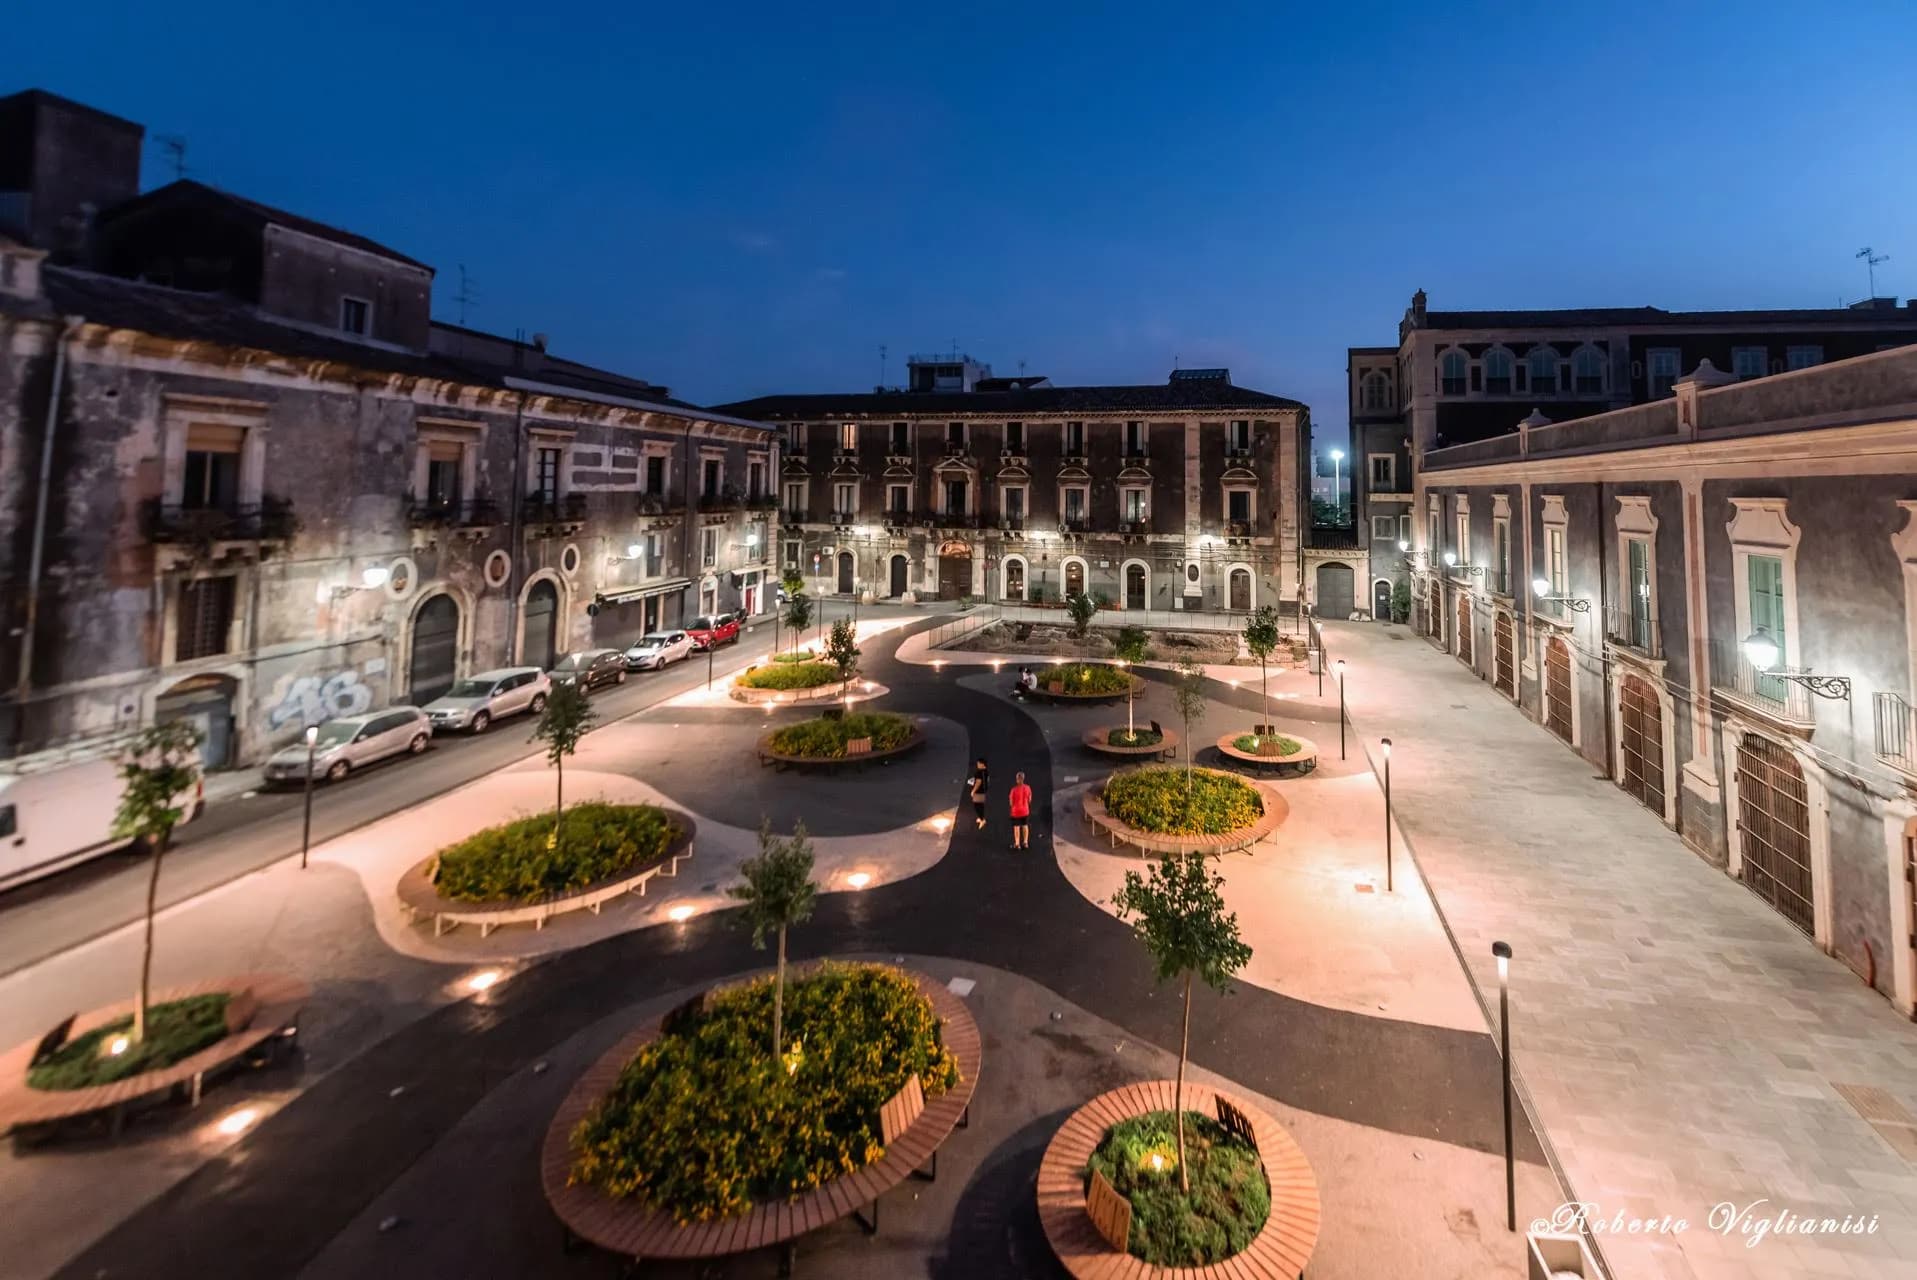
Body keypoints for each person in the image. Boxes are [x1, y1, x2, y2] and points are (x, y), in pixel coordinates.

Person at [1008, 770, 1033, 850]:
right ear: (1023, 779)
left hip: (1016, 812)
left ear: (1017, 779)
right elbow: (1029, 800)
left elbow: (1011, 802)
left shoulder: (1013, 790)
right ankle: (1025, 843)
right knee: (1025, 826)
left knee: (1016, 827)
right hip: (1025, 810)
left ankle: (1017, 844)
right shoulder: (1028, 788)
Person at [968, 756, 989, 830]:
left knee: (977, 806)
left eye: (979, 763)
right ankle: (981, 818)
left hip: (979, 791)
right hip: (983, 790)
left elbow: (978, 782)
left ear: (982, 764)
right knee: (981, 805)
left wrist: (973, 791)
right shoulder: (986, 771)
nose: (977, 765)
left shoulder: (978, 772)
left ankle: (982, 820)